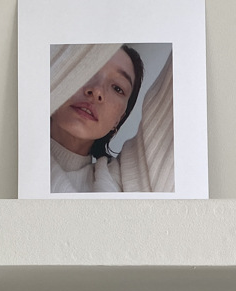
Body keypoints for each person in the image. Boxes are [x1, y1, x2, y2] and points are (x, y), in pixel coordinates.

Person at [50, 43, 174, 193]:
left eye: (117, 88)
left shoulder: (119, 184)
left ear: (119, 119)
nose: (97, 91)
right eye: (87, 71)